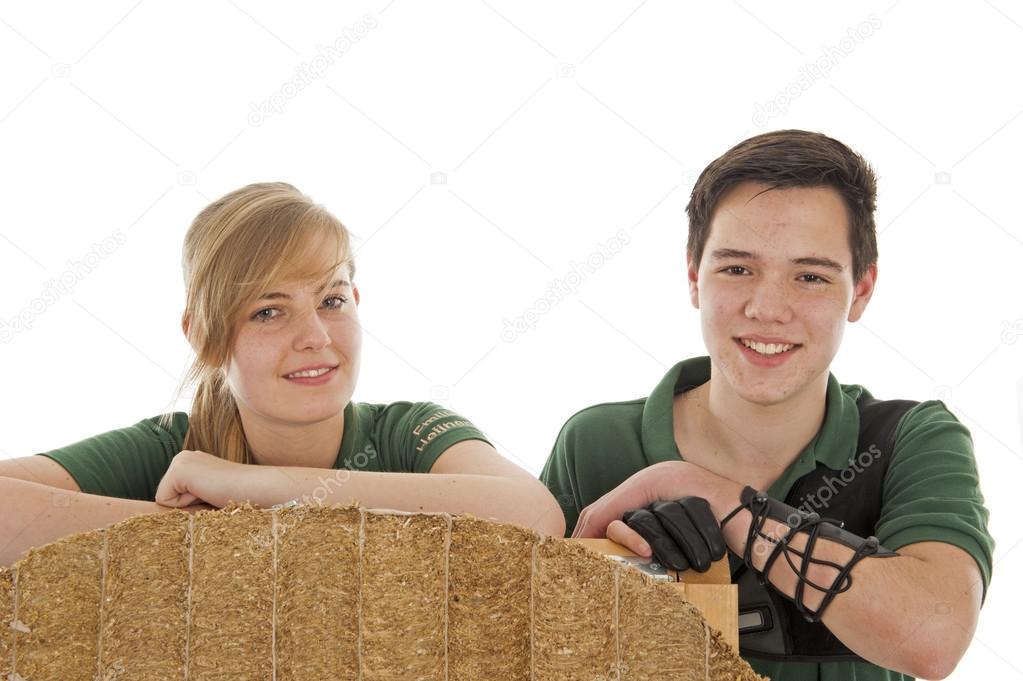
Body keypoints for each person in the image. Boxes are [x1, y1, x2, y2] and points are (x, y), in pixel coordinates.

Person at [541, 130, 993, 680]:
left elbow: (932, 641)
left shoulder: (910, 440)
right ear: (693, 278)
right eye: (737, 268)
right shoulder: (596, 443)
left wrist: (706, 492)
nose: (768, 308)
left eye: (810, 276)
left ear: (862, 290)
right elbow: (530, 645)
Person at [0, 182, 565, 566]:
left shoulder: (410, 431)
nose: (315, 336)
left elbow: (535, 514)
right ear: (203, 334)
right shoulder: (169, 447)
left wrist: (259, 491)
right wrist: (217, 532)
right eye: (268, 311)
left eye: (332, 300)